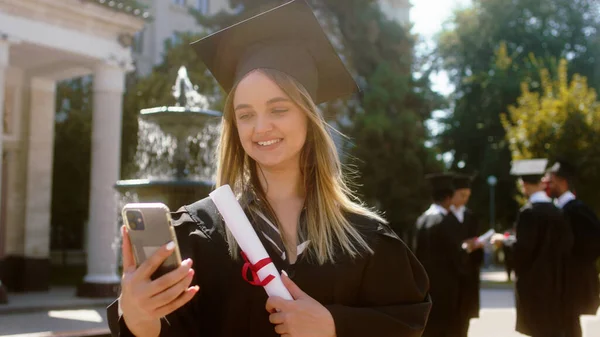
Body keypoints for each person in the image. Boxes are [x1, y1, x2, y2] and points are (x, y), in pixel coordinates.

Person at [106, 1, 431, 336]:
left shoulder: (365, 239)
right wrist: (139, 317)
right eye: (245, 114)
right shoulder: (200, 234)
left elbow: (407, 324)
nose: (260, 127)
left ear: (309, 117)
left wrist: (335, 326)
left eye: (278, 109)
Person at [493, 159, 573, 337]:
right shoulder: (557, 211)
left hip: (534, 284)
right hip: (556, 281)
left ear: (524, 185)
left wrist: (503, 242)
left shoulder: (529, 212)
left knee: (537, 329)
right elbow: (567, 244)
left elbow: (523, 249)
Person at [413, 173, 472, 337]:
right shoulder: (447, 221)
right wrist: (467, 249)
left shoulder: (422, 220)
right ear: (449, 197)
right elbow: (456, 255)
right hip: (448, 286)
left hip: (428, 285)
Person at [546, 160, 600, 337]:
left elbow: (593, 243)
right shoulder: (558, 208)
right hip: (561, 281)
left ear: (563, 182)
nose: (548, 185)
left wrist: (572, 262)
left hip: (571, 282)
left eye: (551, 181)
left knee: (569, 327)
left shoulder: (576, 210)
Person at [450, 174, 484, 327]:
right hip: (451, 273)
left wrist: (477, 245)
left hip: (468, 273)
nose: (465, 199)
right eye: (462, 195)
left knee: (464, 319)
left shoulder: (470, 216)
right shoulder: (443, 217)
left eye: (468, 196)